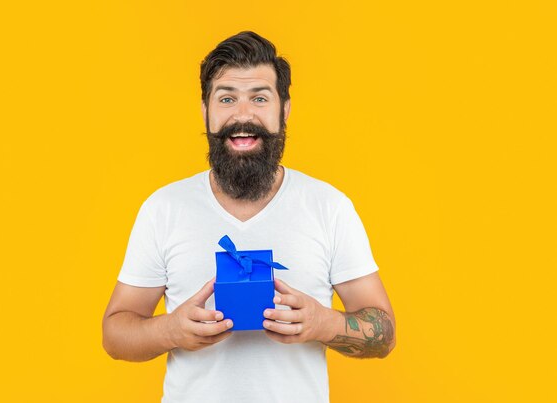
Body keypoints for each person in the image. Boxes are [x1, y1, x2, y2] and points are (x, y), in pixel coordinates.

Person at [102, 31, 396, 403]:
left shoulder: (329, 207)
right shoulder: (164, 209)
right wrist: (170, 331)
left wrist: (325, 323)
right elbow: (114, 335)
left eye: (259, 97)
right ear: (205, 110)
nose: (243, 115)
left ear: (284, 108)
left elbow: (384, 334)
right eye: (226, 98)